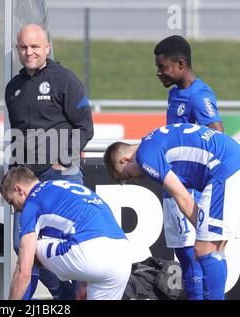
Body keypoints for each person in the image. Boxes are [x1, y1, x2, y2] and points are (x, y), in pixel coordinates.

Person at [5, 23, 94, 299]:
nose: (28, 52)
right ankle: (62, 296)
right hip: (27, 183)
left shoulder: (65, 79)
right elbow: (17, 135)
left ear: (47, 48)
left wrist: (62, 162)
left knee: (66, 246)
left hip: (60, 176)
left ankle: (70, 296)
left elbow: (85, 127)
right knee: (26, 249)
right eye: (23, 47)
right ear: (17, 49)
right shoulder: (13, 87)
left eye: (34, 46)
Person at [103, 123, 240, 300]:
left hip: (223, 168)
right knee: (212, 249)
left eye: (128, 176)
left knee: (205, 249)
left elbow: (184, 199)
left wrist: (203, 233)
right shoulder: (151, 139)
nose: (136, 179)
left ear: (124, 160)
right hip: (227, 161)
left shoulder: (145, 158)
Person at [154, 35, 224, 299]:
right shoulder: (175, 93)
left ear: (181, 64)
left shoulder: (200, 94)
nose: (158, 72)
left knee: (193, 255)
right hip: (173, 184)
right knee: (183, 257)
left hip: (189, 189)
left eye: (163, 67)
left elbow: (217, 137)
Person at [0, 167, 131, 300]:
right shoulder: (66, 188)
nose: (16, 209)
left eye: (11, 202)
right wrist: (85, 282)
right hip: (123, 257)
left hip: (90, 253)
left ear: (19, 190)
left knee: (28, 253)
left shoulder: (32, 203)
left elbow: (24, 274)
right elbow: (89, 227)